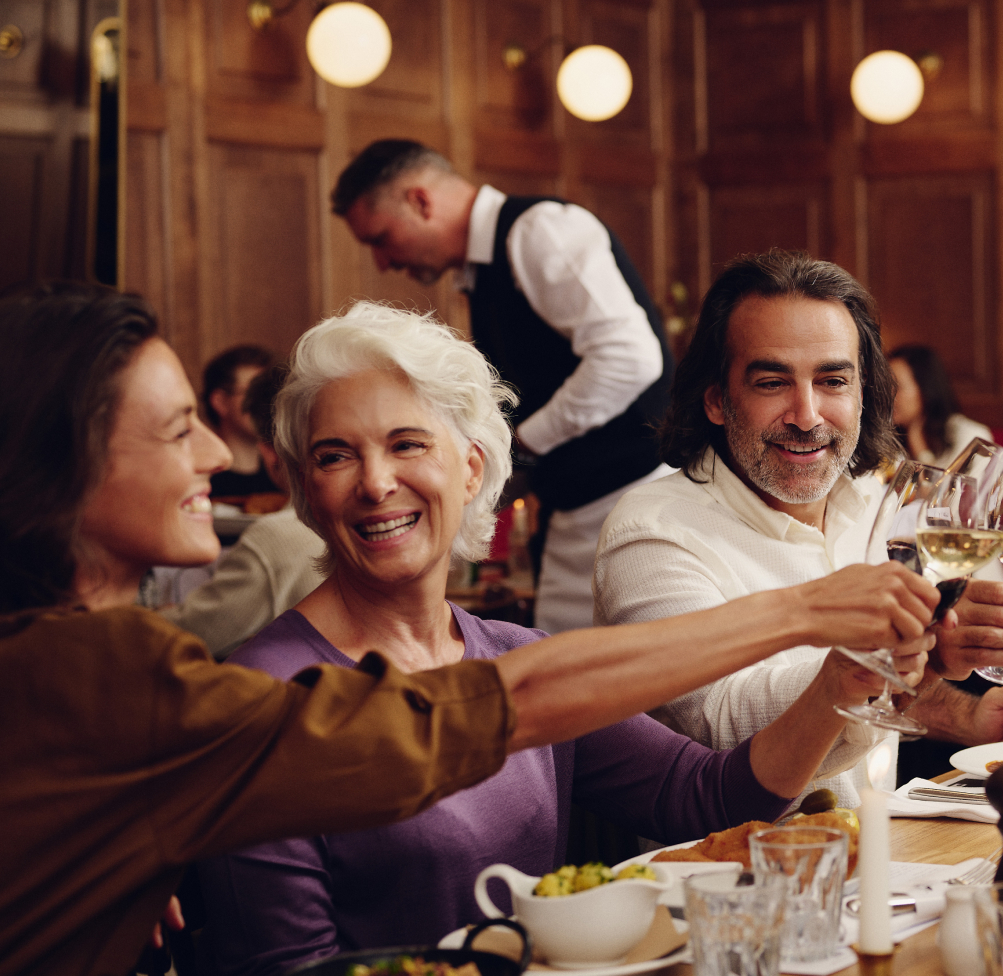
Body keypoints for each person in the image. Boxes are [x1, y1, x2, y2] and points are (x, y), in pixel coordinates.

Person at [0, 284, 939, 976]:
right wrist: (801, 613)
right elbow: (492, 714)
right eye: (176, 431)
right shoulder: (153, 677)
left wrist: (837, 677)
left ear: (473, 465)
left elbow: (709, 798)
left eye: (408, 444)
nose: (214, 447)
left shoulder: (105, 683)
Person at [594, 252, 1003, 806]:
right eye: (771, 382)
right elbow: (718, 727)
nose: (807, 415)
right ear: (716, 399)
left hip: (885, 864)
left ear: (863, 394)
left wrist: (971, 715)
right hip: (731, 877)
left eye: (832, 380)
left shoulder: (877, 503)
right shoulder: (651, 532)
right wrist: (886, 662)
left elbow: (883, 697)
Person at [332, 140, 672, 633]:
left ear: (420, 201)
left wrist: (522, 442)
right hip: (575, 504)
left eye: (381, 238)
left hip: (635, 495)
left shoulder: (540, 231)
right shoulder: (484, 268)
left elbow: (629, 358)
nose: (382, 262)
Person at [160, 365, 326, 658]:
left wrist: (146, 619)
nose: (220, 457)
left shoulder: (276, 538)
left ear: (268, 451)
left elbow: (193, 634)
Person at [887, 344, 992, 468]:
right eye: (886, 386)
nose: (888, 396)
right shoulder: (888, 438)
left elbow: (956, 486)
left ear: (925, 388)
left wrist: (918, 443)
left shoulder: (971, 436)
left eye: (897, 387)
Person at [203, 344, 278, 499]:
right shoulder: (201, 480)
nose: (268, 403)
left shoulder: (283, 477)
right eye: (255, 392)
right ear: (221, 402)